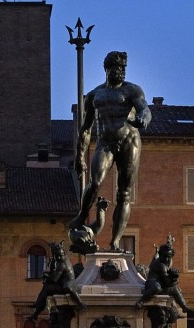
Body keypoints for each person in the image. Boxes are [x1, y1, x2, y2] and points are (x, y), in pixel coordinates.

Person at [68, 50, 151, 253]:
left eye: (123, 68)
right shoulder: (95, 95)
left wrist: (143, 119)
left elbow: (144, 109)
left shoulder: (132, 90)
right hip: (105, 142)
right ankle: (82, 214)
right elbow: (86, 129)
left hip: (129, 142)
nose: (120, 72)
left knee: (123, 193)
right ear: (107, 69)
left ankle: (115, 241)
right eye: (116, 67)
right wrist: (80, 157)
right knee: (95, 182)